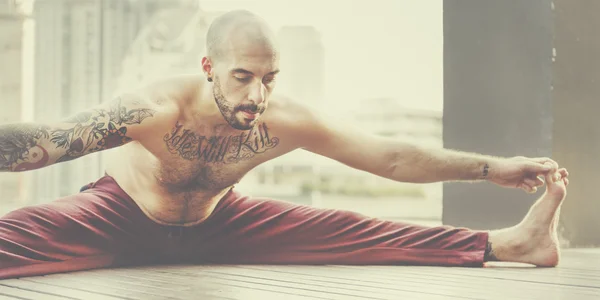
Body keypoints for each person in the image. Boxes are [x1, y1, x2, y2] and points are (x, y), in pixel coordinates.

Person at [0, 10, 569, 280]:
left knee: (358, 229)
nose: (258, 95)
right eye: (243, 76)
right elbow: (51, 141)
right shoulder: (153, 108)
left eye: (269, 78)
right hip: (119, 216)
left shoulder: (285, 119)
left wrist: (494, 169)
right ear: (209, 68)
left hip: (221, 222)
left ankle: (515, 244)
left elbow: (390, 156)